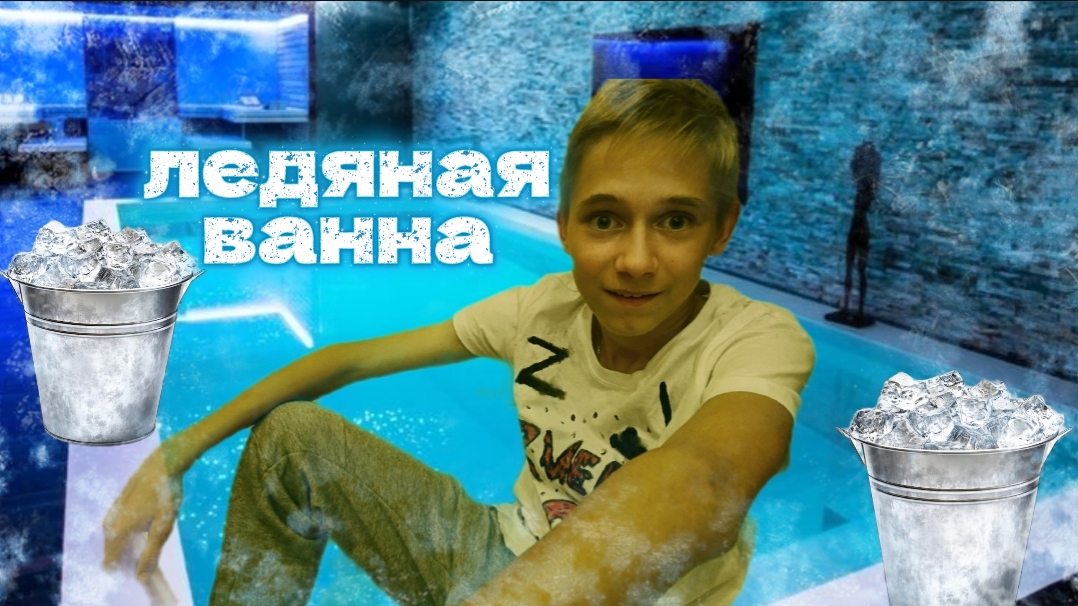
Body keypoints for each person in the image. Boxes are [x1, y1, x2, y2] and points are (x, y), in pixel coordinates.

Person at [103, 79, 815, 606]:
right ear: (565, 226)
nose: (635, 260)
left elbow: (706, 480)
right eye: (605, 220)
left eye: (676, 221)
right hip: (493, 551)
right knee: (294, 439)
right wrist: (171, 456)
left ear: (722, 228)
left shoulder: (756, 341)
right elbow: (346, 359)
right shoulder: (538, 311)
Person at [828, 140, 880, 327]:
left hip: (861, 229)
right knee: (851, 268)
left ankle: (858, 309)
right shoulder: (862, 190)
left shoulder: (868, 191)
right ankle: (846, 306)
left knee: (860, 270)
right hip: (855, 227)